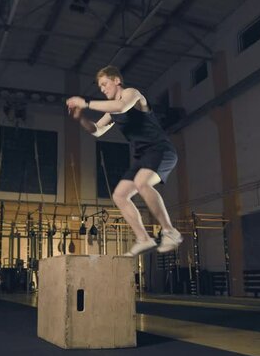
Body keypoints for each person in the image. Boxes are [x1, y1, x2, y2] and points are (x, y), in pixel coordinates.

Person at [66, 65, 182, 257]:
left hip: (160, 150)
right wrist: (80, 118)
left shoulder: (132, 94)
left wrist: (85, 102)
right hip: (142, 156)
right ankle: (143, 238)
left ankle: (171, 232)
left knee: (142, 183)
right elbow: (97, 130)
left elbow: (121, 106)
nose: (103, 90)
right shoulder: (111, 112)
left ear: (117, 81)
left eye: (105, 84)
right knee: (119, 196)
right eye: (100, 87)